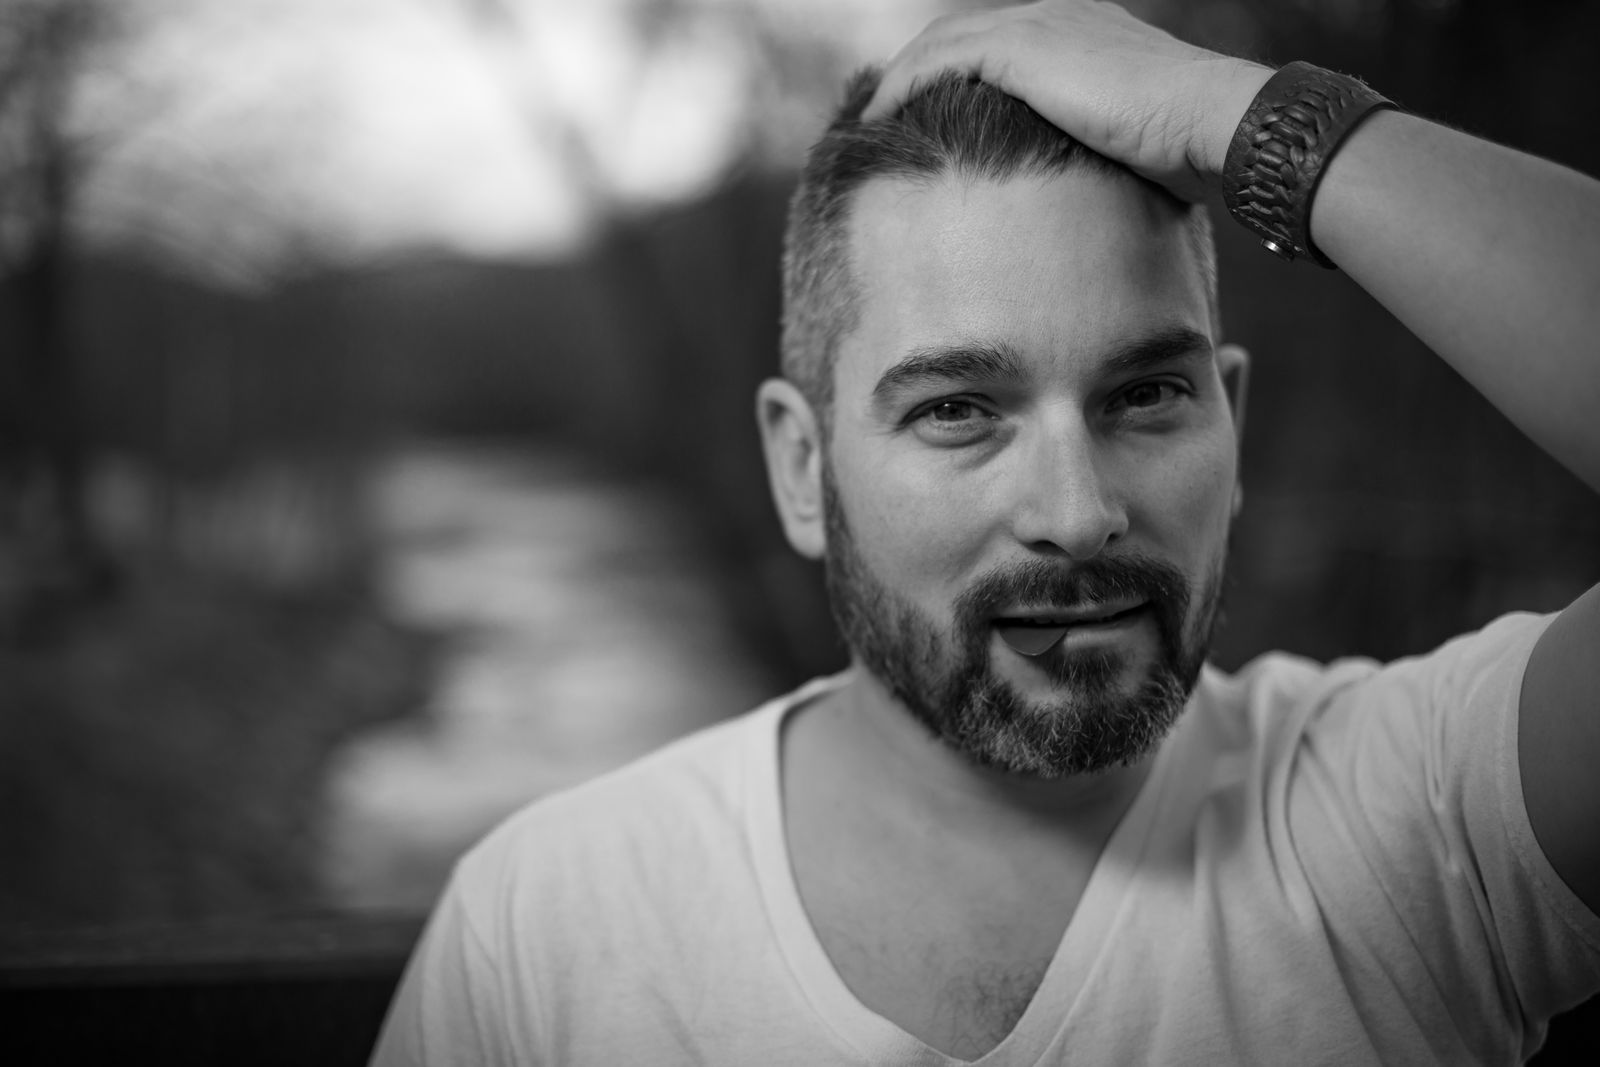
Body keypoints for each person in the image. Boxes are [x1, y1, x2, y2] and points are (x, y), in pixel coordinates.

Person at [371, 2, 1600, 1063]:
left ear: (1232, 420)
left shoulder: (1424, 824)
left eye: (1145, 395)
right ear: (801, 466)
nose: (1076, 514)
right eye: (958, 409)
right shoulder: (542, 928)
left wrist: (1236, 115)